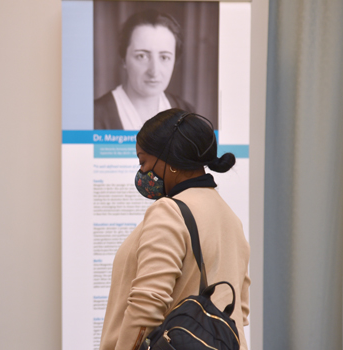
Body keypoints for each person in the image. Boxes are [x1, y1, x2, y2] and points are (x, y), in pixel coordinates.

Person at [99, 109, 250, 350]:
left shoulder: (170, 211)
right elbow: (239, 312)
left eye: (143, 161)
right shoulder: (231, 219)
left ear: (168, 160)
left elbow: (146, 306)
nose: (142, 172)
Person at [95, 10, 194, 130]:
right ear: (123, 59)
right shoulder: (95, 116)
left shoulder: (187, 113)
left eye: (164, 57)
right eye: (142, 56)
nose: (154, 71)